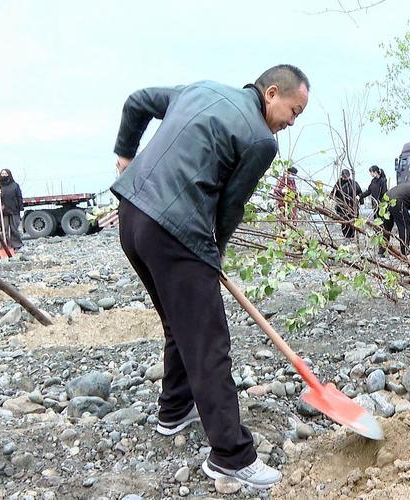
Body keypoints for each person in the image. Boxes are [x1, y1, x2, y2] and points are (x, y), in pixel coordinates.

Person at [111, 65, 309, 489]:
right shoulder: (260, 139)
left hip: (131, 218)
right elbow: (230, 207)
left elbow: (136, 102)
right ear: (271, 93)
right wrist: (211, 255)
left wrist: (126, 157)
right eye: (293, 111)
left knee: (179, 323)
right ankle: (231, 456)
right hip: (175, 230)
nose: (292, 122)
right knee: (209, 342)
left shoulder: (198, 89)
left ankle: (174, 410)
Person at [0, 169, 24, 250]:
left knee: (14, 229)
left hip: (14, 210)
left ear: (9, 174)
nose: (4, 175)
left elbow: (19, 197)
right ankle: (5, 246)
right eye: (2, 173)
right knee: (4, 229)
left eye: (5, 173)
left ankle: (17, 245)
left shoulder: (15, 185)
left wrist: (21, 209)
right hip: (3, 211)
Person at [331, 168, 362, 238]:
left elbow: (360, 193)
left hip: (353, 207)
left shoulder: (354, 183)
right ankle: (347, 237)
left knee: (353, 223)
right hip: (342, 209)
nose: (345, 178)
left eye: (347, 177)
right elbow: (333, 194)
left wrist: (359, 199)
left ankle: (353, 237)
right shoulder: (338, 184)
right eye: (344, 177)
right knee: (344, 224)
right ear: (342, 176)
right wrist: (334, 200)